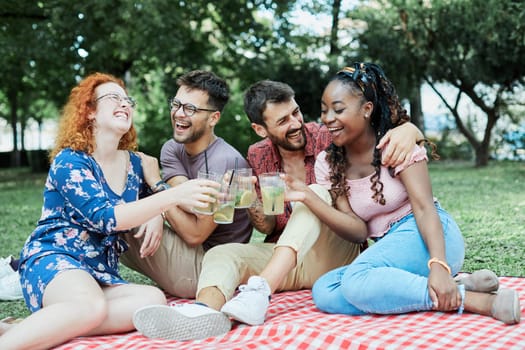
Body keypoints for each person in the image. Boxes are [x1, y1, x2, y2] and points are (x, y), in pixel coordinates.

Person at [131, 80, 425, 341]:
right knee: (222, 253)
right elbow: (268, 227)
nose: (296, 123)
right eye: (283, 120)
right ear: (260, 129)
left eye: (296, 113)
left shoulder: (327, 136)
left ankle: (259, 293)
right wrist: (252, 204)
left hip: (336, 250)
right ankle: (203, 313)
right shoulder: (258, 154)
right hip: (288, 260)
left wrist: (411, 130)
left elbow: (380, 131)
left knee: (314, 193)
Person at [0, 72, 222, 349]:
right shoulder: (70, 161)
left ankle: (35, 326)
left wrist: (155, 212)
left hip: (100, 272)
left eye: (127, 100)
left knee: (151, 300)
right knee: (90, 306)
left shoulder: (135, 165)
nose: (125, 104)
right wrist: (172, 196)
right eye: (113, 98)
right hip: (57, 260)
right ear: (90, 111)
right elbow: (105, 218)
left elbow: (146, 203)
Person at [309, 63, 520, 324]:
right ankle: (463, 288)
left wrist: (439, 264)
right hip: (391, 250)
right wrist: (307, 198)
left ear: (367, 109)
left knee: (355, 281)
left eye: (338, 109)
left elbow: (424, 208)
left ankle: (478, 302)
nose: (328, 118)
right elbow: (357, 231)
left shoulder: (397, 143)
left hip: (431, 237)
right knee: (325, 291)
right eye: (324, 110)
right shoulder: (328, 163)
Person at [119, 70, 252, 300]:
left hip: (208, 269)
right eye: (177, 104)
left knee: (116, 207)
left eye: (190, 109)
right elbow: (181, 199)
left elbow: (195, 234)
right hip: (186, 251)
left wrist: (155, 184)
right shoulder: (173, 149)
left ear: (213, 118)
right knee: (118, 197)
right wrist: (158, 211)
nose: (179, 114)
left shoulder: (228, 163)